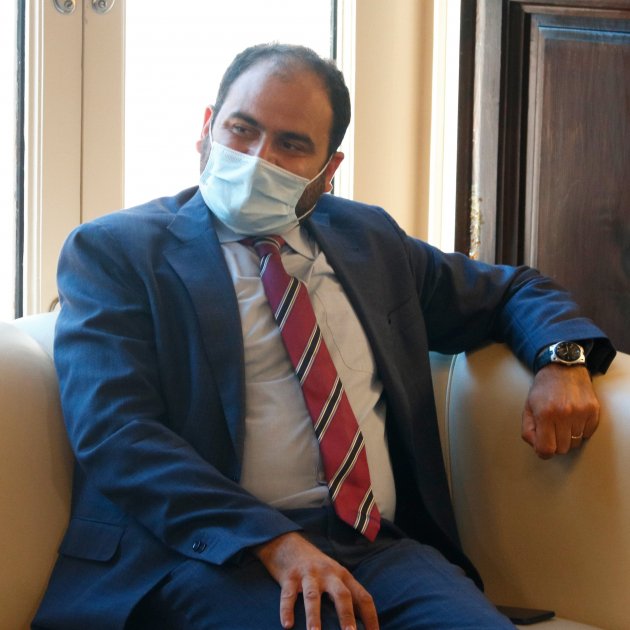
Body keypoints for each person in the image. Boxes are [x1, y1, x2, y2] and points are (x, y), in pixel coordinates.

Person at [34, 43, 615, 630]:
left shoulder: (369, 241)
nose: (258, 158)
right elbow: (116, 433)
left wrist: (562, 360)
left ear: (328, 170)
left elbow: (512, 290)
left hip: (379, 548)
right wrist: (274, 541)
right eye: (242, 129)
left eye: (291, 144)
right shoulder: (117, 251)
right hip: (207, 556)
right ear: (207, 127)